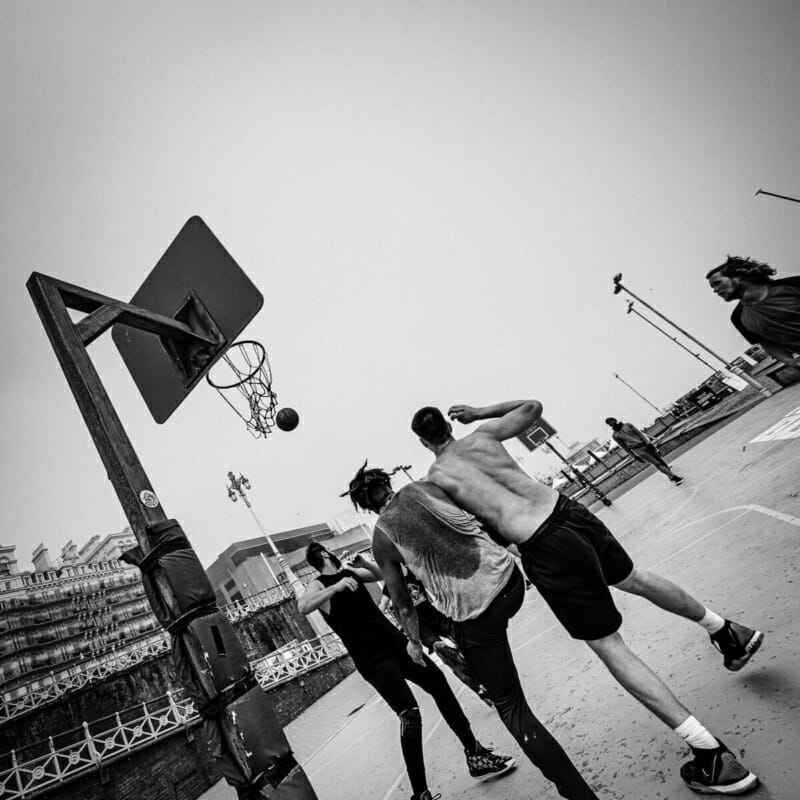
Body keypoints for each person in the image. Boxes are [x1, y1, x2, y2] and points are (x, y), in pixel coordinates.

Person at [411, 401, 763, 796]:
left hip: (542, 544)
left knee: (609, 646)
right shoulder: (483, 436)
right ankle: (725, 630)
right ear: (448, 425)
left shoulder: (437, 478)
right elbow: (532, 407)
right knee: (635, 578)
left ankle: (710, 754)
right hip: (568, 511)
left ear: (424, 442)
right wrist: (478, 413)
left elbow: (464, 530)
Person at [346, 463, 602, 800]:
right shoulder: (426, 487)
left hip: (476, 612)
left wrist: (412, 641)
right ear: (386, 482)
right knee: (470, 638)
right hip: (509, 581)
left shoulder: (382, 536)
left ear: (366, 505)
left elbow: (403, 603)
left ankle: (579, 794)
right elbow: (479, 513)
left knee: (511, 708)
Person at [298, 542, 513, 800]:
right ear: (323, 553)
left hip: (395, 643)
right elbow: (303, 606)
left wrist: (363, 564)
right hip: (372, 659)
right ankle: (420, 794)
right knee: (409, 715)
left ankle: (476, 754)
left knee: (438, 681)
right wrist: (336, 587)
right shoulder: (320, 584)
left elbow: (383, 576)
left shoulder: (350, 573)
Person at [378, 566, 495, 707]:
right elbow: (383, 604)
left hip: (434, 615)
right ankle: (480, 689)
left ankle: (485, 676)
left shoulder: (413, 570)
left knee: (464, 640)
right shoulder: (390, 584)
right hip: (421, 628)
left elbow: (434, 584)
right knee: (445, 652)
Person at [707, 256, 800, 368]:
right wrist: (790, 361)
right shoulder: (738, 318)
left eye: (718, 283)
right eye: (713, 287)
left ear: (739, 276)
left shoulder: (793, 285)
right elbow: (766, 343)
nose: (715, 290)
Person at [605, 416, 683, 484]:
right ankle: (674, 477)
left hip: (645, 445)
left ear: (615, 420)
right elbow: (624, 447)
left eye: (611, 421)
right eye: (609, 423)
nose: (611, 423)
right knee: (656, 463)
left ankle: (669, 474)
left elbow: (640, 433)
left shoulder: (628, 425)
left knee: (660, 460)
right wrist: (634, 456)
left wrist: (649, 443)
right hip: (638, 450)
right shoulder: (615, 435)